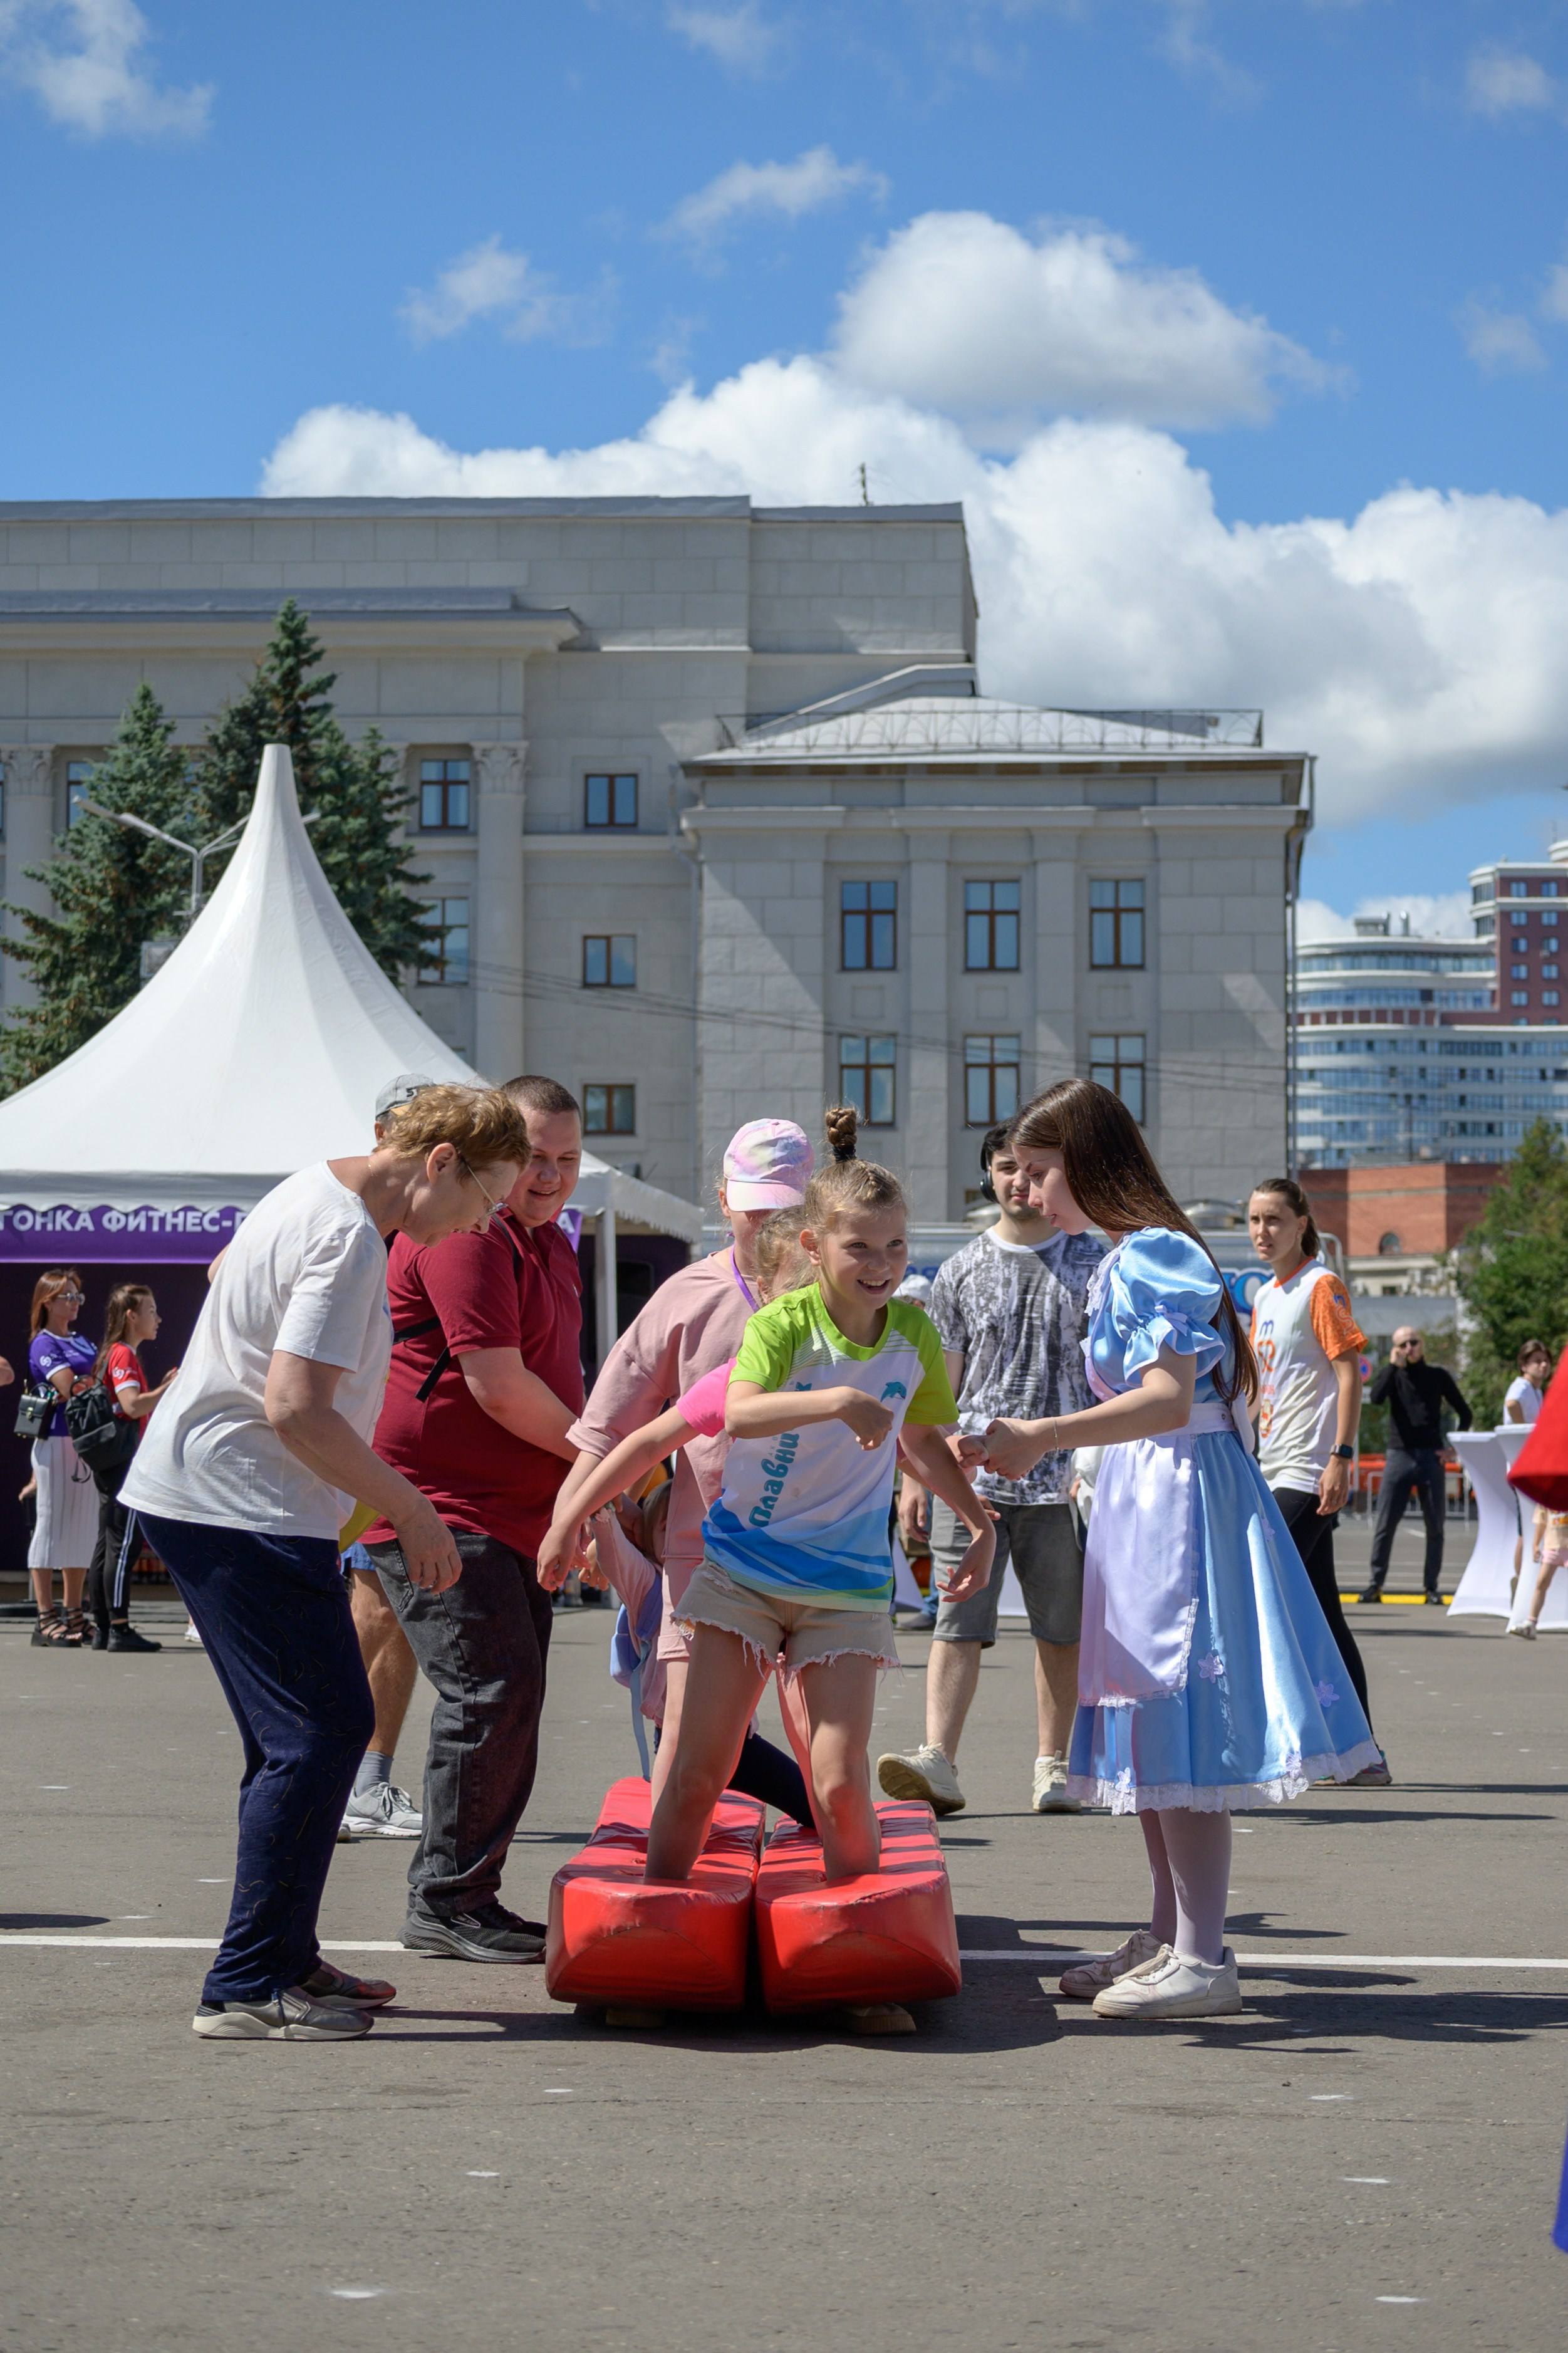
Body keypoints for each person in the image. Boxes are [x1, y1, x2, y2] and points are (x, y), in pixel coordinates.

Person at [120, 1082, 532, 2042]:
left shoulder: (315, 1190)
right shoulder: (350, 1236)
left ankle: (281, 1956)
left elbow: (243, 1287)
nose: (483, 1220)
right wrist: (411, 1509)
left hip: (220, 1498)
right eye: (485, 1197)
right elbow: (296, 1405)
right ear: (439, 1162)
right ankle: (247, 1982)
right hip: (238, 1507)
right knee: (319, 1731)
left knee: (301, 1737)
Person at [980, 1082, 1377, 2022]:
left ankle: (1201, 1952)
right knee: (1154, 1717)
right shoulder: (1127, 1254)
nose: (1024, 1188)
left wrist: (1042, 1432)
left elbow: (1164, 1397)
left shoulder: (1154, 1252)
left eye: (1038, 1169)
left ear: (1085, 1160)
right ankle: (1170, 1933)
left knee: (1180, 1711)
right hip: (1145, 1491)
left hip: (1177, 1494)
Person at [645, 1107, 994, 1944]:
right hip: (741, 1578)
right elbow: (737, 1410)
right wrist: (838, 1399)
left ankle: (860, 1951)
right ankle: (648, 1930)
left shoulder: (912, 1333)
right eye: (859, 1248)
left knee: (837, 1782)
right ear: (813, 1248)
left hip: (842, 1589)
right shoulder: (780, 1325)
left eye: (895, 1247)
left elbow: (919, 1440)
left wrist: (976, 1521)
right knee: (699, 1772)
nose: (880, 1266)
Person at [361, 1077, 587, 1966]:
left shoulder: (550, 1243)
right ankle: (447, 1898)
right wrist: (610, 1460)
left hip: (512, 1515)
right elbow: (498, 1387)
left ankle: (465, 1892)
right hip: (438, 1508)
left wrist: (587, 1503)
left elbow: (558, 1386)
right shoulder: (470, 1234)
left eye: (568, 1160)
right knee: (489, 1696)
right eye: (534, 1157)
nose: (550, 1176)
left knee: (508, 1700)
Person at [563, 1119, 816, 1805]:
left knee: (821, 1737)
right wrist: (582, 1517)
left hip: (820, 1550)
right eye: (754, 1204)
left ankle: (837, 1842)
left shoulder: (843, 1294)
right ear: (723, 1198)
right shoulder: (687, 1295)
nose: (767, 1223)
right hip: (703, 1553)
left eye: (786, 1209)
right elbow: (609, 1425)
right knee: (687, 1728)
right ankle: (664, 1886)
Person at [878, 1124, 1104, 1819]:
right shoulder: (961, 1268)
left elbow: (1111, 1378)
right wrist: (919, 1473)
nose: (1019, 1181)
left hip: (1063, 1476)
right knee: (956, 1619)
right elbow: (936, 1390)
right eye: (1006, 1167)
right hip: (971, 1480)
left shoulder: (1093, 1258)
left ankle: (1054, 1765)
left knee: (1061, 1628)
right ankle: (937, 1759)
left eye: (1034, 1169)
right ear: (989, 1174)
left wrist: (1098, 1461)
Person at [1247, 1179, 1390, 1787]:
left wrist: (1341, 1453)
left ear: (1302, 1222)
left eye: (1274, 1219)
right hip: (1271, 1463)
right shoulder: (1263, 1294)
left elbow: (1349, 1369)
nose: (1262, 1231)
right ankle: (1361, 1754)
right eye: (1253, 1219)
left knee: (1268, 1596)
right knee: (1323, 1613)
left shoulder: (1319, 1284)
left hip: (1309, 1470)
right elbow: (1263, 1385)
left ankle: (1287, 1742)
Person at [338, 1072, 437, 1842]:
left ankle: (363, 1779)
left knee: (388, 1615)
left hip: (388, 1447)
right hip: (351, 1447)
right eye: (406, 1126)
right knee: (373, 1611)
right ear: (380, 1135)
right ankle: (346, 1779)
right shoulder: (348, 1213)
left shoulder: (425, 1221)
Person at [85, 1283, 179, 1653]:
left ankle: (104, 1628)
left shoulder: (115, 1352)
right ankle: (118, 1627)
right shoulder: (122, 1354)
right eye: (151, 1310)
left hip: (115, 1458)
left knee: (108, 1543)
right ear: (131, 1316)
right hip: (124, 1458)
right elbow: (132, 1405)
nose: (158, 1318)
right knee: (124, 1543)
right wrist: (168, 1388)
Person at [1359, 1328, 1472, 1604]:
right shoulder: (1394, 1375)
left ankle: (1431, 1587)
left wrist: (1453, 1449)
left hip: (1431, 1457)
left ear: (1422, 1344)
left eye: (1413, 1342)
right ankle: (1375, 1585)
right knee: (1386, 1523)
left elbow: (1465, 1412)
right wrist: (1392, 1366)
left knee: (1435, 1525)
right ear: (1396, 1349)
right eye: (1402, 1344)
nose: (1409, 1348)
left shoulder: (1437, 1376)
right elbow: (1375, 1398)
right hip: (1399, 1455)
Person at [25, 1269, 100, 1647]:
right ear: (48, 1302)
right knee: (51, 1525)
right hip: (54, 1440)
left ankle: (74, 1612)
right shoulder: (43, 1343)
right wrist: (93, 1385)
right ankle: (44, 1616)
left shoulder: (83, 1341)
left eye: (77, 1297)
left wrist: (93, 1384)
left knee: (83, 1528)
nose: (74, 1303)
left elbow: (96, 1383)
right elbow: (71, 1387)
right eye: (67, 1297)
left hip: (84, 1441)